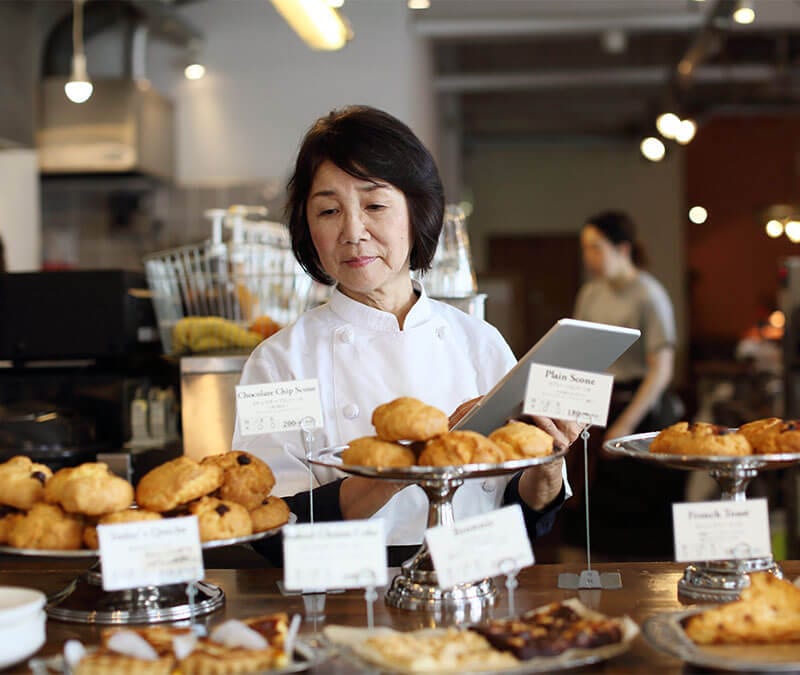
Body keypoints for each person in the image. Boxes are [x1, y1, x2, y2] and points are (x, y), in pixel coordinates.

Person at [232, 105, 577, 565]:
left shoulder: (479, 342)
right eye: (329, 210)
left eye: (375, 205)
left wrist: (549, 462)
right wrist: (415, 460)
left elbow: (528, 512)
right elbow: (269, 523)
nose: (353, 232)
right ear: (306, 226)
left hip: (473, 579)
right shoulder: (278, 361)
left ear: (417, 212)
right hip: (349, 593)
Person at [561, 210, 684, 559]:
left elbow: (662, 369)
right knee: (592, 503)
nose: (589, 258)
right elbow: (581, 355)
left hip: (639, 407)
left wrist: (626, 423)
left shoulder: (649, 294)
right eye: (585, 248)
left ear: (623, 249)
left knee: (639, 507)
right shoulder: (590, 293)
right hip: (597, 403)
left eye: (596, 248)